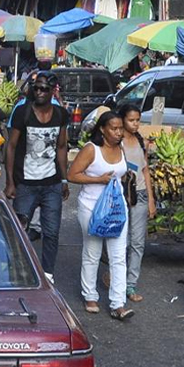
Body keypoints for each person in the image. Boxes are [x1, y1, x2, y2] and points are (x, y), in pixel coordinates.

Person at [68, 111, 133, 320]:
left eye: (120, 128)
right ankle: (90, 296)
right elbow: (72, 175)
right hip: (91, 207)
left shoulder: (121, 149)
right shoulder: (91, 150)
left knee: (118, 256)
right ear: (103, 130)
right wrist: (98, 180)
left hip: (116, 208)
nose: (118, 132)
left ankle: (118, 303)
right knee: (92, 251)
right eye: (114, 128)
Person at [5, 73, 69, 282]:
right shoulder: (23, 112)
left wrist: (64, 179)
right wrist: (10, 182)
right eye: (36, 88)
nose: (39, 92)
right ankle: (19, 273)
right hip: (26, 184)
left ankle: (47, 274)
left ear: (52, 91)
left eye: (44, 89)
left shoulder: (60, 114)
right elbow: (11, 146)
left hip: (51, 184)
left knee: (51, 232)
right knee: (18, 232)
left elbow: (61, 147)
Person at [118, 104, 156, 303]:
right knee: (121, 241)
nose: (135, 124)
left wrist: (150, 198)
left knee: (138, 242)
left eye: (137, 120)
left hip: (140, 194)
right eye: (131, 120)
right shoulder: (117, 142)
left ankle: (130, 284)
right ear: (123, 120)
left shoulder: (141, 141)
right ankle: (118, 281)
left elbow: (145, 170)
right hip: (123, 196)